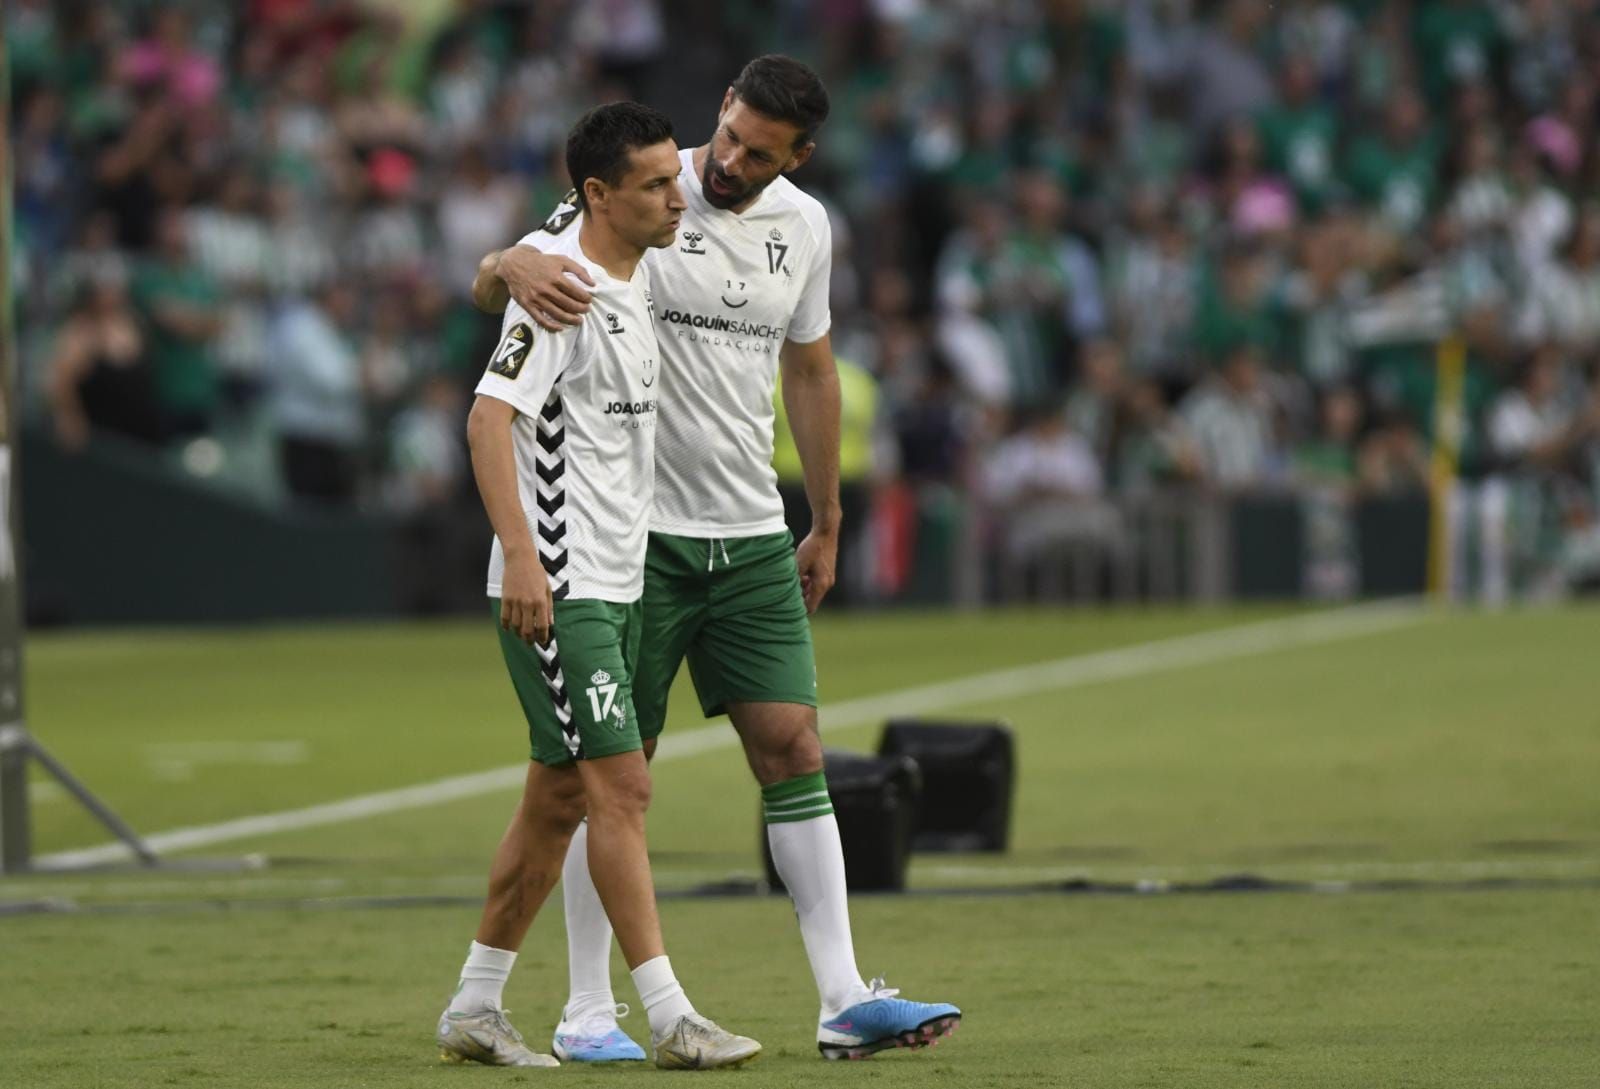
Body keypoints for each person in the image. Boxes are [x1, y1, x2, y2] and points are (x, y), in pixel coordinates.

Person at [473, 55, 960, 1062]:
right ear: (720, 109)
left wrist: (823, 519)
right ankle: (586, 1007)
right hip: (632, 538)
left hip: (747, 531)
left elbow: (812, 367)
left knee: (793, 747)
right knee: (610, 772)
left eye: (758, 152)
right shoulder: (642, 193)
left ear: (801, 157)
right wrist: (501, 261)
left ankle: (841, 998)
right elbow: (510, 282)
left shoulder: (808, 230)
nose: (728, 161)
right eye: (728, 134)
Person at [439, 101, 760, 1071]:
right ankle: (669, 1017)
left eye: (676, 176)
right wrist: (524, 557)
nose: (679, 196)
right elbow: (487, 424)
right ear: (597, 196)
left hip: (619, 580)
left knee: (555, 802)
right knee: (621, 786)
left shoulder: (624, 261)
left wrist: (501, 260)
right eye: (657, 185)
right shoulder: (563, 292)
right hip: (563, 583)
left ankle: (475, 1004)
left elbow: (500, 262)